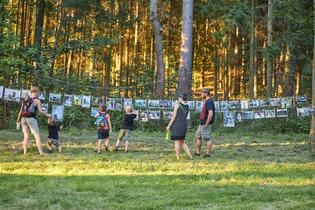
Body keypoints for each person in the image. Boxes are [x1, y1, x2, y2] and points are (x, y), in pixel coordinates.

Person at [16, 86, 51, 155]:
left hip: (23, 119)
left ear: (31, 92)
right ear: (37, 92)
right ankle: (41, 152)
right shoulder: (37, 100)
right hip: (31, 119)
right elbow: (40, 111)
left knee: (26, 136)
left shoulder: (25, 99)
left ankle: (25, 152)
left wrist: (18, 119)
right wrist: (47, 115)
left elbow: (21, 110)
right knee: (37, 136)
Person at [166, 93, 193, 160]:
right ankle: (190, 156)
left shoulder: (177, 105)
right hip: (184, 124)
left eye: (179, 97)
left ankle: (178, 157)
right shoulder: (187, 106)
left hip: (177, 125)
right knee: (182, 142)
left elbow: (174, 116)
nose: (178, 99)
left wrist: (169, 125)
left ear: (180, 98)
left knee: (177, 142)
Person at [195, 88, 215, 157]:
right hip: (202, 123)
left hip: (206, 123)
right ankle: (197, 152)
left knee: (207, 138)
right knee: (198, 137)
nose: (201, 94)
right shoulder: (206, 101)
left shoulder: (209, 101)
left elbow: (211, 113)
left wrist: (207, 123)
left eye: (202, 93)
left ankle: (207, 154)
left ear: (206, 94)